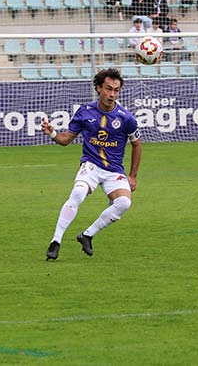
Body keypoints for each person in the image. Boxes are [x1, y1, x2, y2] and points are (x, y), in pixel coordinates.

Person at [41, 68, 141, 260]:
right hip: (91, 166)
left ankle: (87, 235)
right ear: (98, 88)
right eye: (108, 89)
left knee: (124, 203)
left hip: (114, 170)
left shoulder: (126, 118)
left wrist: (133, 176)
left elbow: (137, 145)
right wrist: (52, 133)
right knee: (78, 193)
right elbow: (65, 140)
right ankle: (56, 241)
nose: (112, 94)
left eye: (116, 90)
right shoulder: (84, 112)